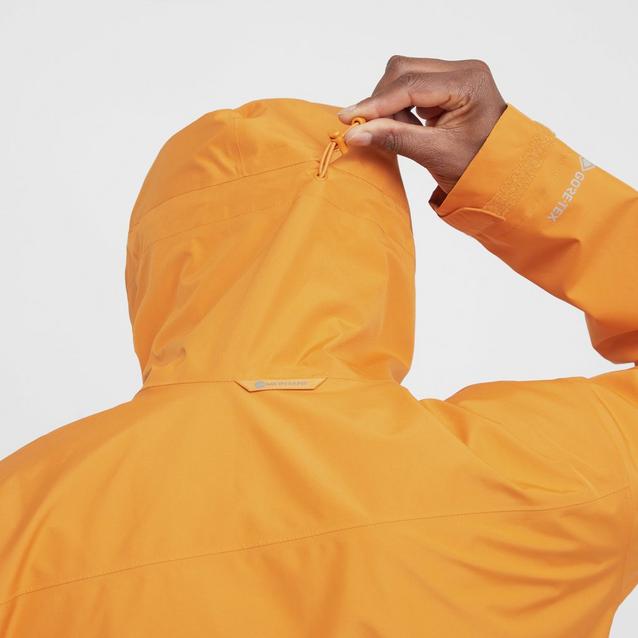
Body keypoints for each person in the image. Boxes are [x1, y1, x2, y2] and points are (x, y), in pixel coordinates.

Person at [0, 56, 636, 637]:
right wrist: (512, 167)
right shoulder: (543, 478)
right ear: (383, 250)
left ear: (151, 266)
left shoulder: (21, 517)